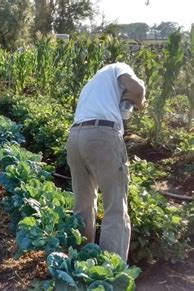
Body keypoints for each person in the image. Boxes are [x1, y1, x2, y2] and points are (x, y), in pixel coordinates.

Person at [66, 62, 146, 261]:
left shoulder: (91, 84)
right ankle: (110, 272)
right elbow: (137, 88)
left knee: (83, 205)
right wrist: (141, 101)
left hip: (75, 136)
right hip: (101, 135)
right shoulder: (119, 67)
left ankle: (82, 264)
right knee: (115, 207)